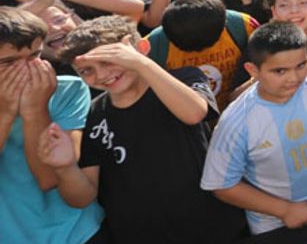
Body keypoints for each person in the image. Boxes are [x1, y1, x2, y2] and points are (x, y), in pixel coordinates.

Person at [39, 15, 244, 243]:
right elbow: (83, 197)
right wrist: (65, 168)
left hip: (212, 226)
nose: (102, 75)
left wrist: (140, 63)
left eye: (109, 60)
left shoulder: (182, 79)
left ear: (141, 48)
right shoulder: (94, 114)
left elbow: (194, 113)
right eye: (86, 70)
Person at [201, 21, 307, 235]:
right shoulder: (236, 121)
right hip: (273, 223)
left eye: (301, 66)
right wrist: (284, 210)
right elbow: (221, 184)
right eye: (279, 71)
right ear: (253, 70)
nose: (293, 78)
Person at [0, 8, 105, 244]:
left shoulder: (68, 90)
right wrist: (5, 113)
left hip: (77, 233)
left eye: (34, 56)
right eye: (9, 62)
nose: (27, 69)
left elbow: (50, 179)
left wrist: (36, 110)